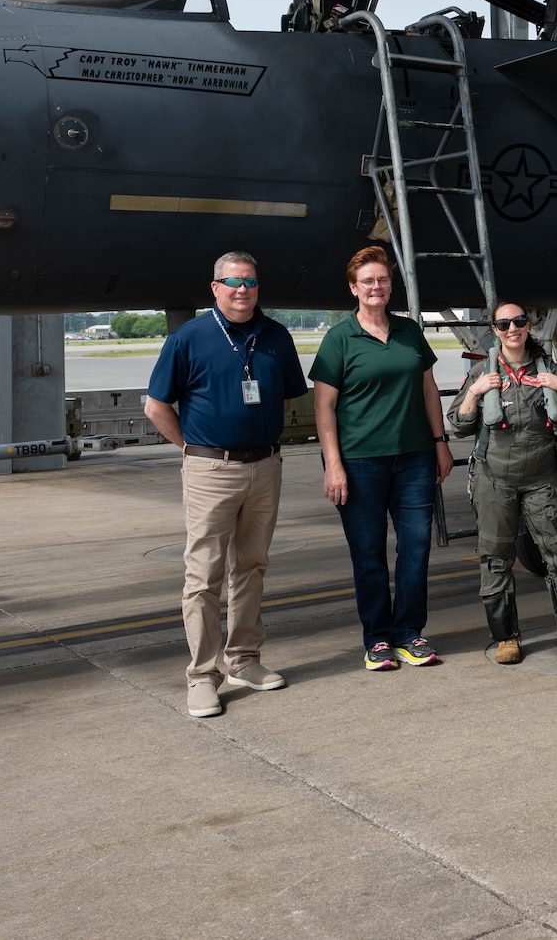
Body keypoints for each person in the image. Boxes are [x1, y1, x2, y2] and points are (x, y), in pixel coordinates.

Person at [144, 251, 308, 719]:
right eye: (233, 282)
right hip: (210, 469)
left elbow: (283, 402)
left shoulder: (276, 336)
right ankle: (201, 676)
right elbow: (157, 406)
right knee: (203, 576)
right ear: (214, 287)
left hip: (265, 467)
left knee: (252, 565)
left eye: (251, 282)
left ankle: (244, 661)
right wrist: (192, 449)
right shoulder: (189, 338)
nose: (242, 290)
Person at [309, 246, 454, 672]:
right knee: (368, 552)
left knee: (416, 548)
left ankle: (409, 634)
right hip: (360, 463)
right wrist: (333, 465)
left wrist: (440, 442)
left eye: (383, 280)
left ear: (391, 285)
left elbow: (429, 391)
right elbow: (324, 409)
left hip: (414, 459)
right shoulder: (339, 338)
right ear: (353, 288)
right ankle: (377, 640)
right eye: (368, 281)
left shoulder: (410, 332)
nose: (377, 287)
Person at [450, 303, 557, 663]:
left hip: (542, 480)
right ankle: (506, 638)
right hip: (495, 481)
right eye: (504, 323)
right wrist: (474, 393)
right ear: (495, 329)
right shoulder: (483, 372)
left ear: (528, 326)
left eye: (519, 321)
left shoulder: (548, 370)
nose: (513, 328)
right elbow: (460, 425)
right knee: (495, 559)